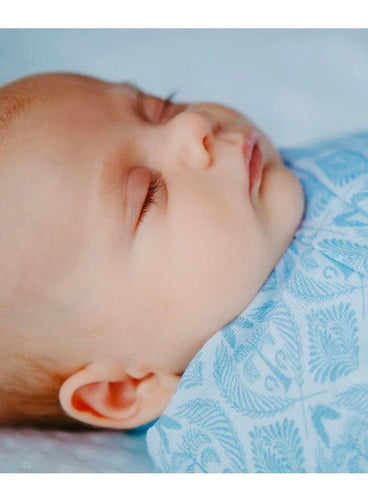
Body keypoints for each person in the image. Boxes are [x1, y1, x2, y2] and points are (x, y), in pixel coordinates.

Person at [0, 72, 305, 430]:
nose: (192, 124)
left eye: (160, 108)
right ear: (123, 390)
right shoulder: (279, 416)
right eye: (147, 194)